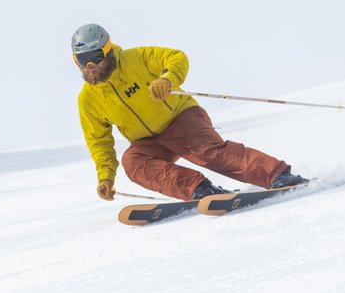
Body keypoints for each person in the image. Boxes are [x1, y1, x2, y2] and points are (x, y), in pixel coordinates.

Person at [72, 23, 304, 202]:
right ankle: (199, 189)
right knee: (133, 162)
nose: (90, 67)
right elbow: (99, 142)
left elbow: (175, 57)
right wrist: (105, 177)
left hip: (180, 119)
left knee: (207, 152)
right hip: (148, 141)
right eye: (83, 61)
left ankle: (276, 175)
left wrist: (167, 78)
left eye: (95, 58)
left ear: (107, 50)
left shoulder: (136, 58)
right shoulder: (88, 100)